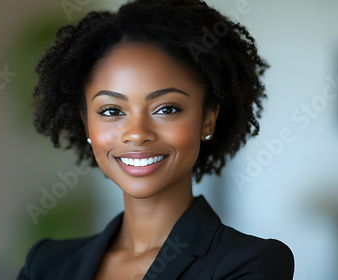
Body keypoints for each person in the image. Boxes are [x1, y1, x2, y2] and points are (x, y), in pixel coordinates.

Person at [17, 0, 294, 279]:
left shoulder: (251, 263)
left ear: (207, 120)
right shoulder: (45, 264)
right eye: (111, 111)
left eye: (167, 109)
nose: (137, 133)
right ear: (87, 124)